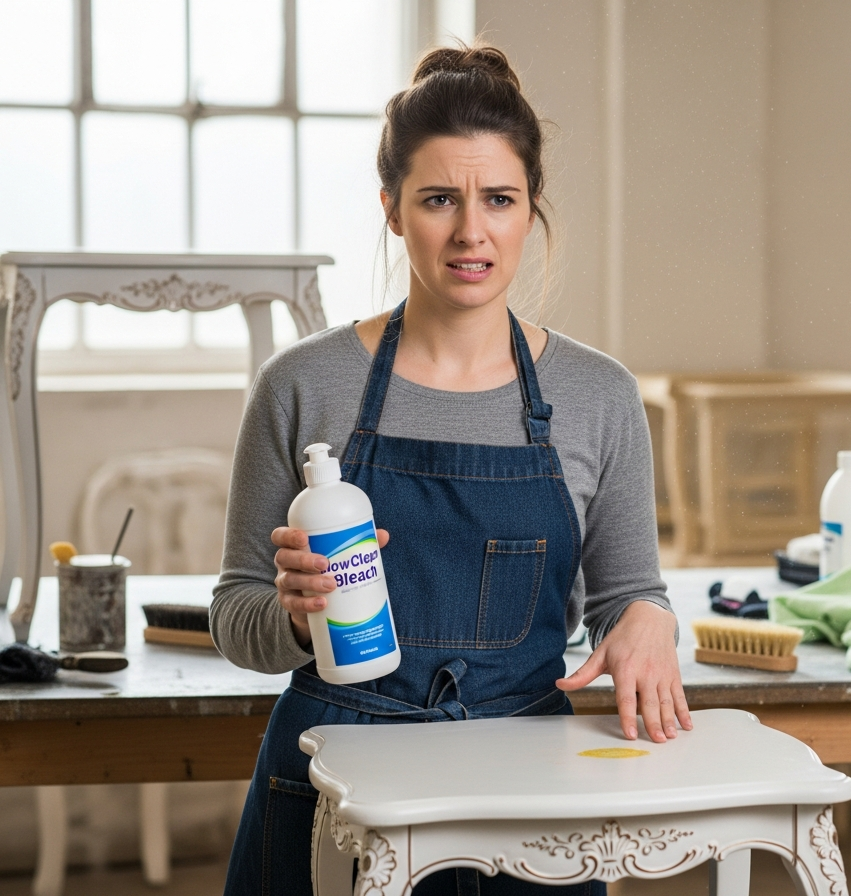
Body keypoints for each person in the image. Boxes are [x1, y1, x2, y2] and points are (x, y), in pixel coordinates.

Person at [211, 44, 689, 896]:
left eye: (499, 199)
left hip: (528, 794)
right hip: (336, 782)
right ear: (393, 209)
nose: (472, 231)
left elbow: (628, 596)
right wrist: (294, 615)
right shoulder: (303, 385)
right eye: (439, 199)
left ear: (529, 208)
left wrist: (651, 616)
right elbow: (234, 614)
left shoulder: (597, 395)